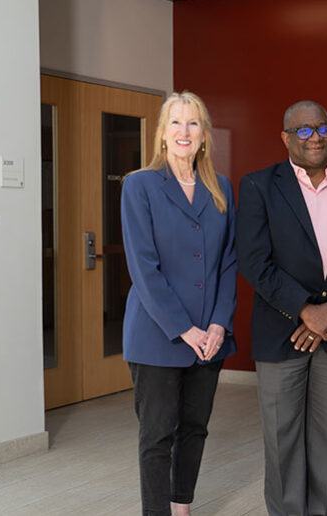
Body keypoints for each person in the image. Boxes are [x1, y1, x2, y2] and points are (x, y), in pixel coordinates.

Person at [237, 100, 327, 516]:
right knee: (283, 439)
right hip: (281, 332)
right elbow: (254, 261)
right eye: (302, 130)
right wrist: (304, 309)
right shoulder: (259, 185)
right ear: (285, 138)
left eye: (322, 129)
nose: (314, 137)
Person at [120, 91, 237, 516]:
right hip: (159, 335)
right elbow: (143, 269)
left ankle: (181, 507)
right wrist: (185, 329)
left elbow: (228, 262)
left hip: (210, 336)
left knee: (194, 429)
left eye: (193, 123)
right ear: (162, 135)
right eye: (175, 123)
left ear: (204, 135)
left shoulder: (220, 187)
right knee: (157, 435)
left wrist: (219, 325)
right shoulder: (140, 186)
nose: (184, 131)